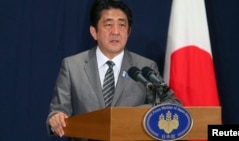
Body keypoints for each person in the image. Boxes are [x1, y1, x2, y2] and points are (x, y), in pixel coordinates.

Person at [46, 0, 182, 141]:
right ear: (94, 32)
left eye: (122, 25)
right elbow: (58, 110)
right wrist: (56, 118)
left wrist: (133, 114)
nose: (116, 32)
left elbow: (172, 104)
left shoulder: (145, 67)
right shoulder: (72, 66)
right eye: (108, 25)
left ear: (129, 32)